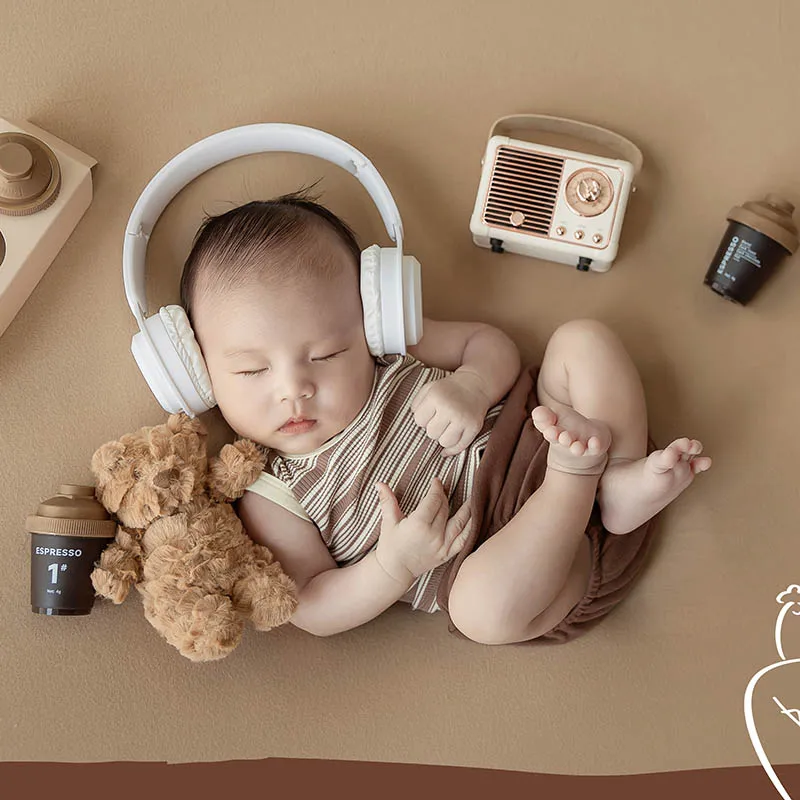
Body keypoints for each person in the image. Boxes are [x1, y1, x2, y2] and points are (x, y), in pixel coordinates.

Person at [179, 191, 712, 646]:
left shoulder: (388, 347)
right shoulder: (272, 494)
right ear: (200, 377)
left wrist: (474, 385)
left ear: (371, 312)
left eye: (324, 355)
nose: (294, 388)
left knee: (582, 340)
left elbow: (489, 345)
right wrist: (394, 565)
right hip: (526, 566)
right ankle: (579, 482)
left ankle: (619, 482)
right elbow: (312, 605)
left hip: (545, 436)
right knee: (480, 611)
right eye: (251, 370)